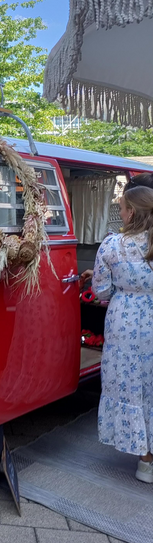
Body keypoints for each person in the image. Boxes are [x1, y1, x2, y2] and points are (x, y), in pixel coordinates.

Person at [83, 186, 153, 482]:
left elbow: (101, 291)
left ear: (132, 212)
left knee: (129, 383)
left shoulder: (112, 245)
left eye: (122, 207)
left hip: (125, 321)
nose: (120, 212)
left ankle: (145, 461)